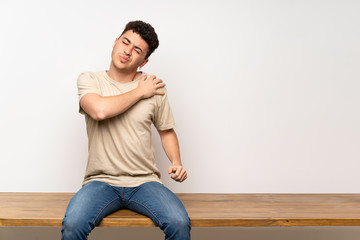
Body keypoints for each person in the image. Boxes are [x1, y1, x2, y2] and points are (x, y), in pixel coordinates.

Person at [61, 20, 191, 240]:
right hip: (100, 181)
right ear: (115, 42)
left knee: (179, 223)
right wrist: (140, 92)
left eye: (137, 50)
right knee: (73, 224)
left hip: (144, 182)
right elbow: (99, 110)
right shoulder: (90, 79)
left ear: (144, 60)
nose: (127, 51)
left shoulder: (154, 87)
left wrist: (176, 162)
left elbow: (166, 131)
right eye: (125, 42)